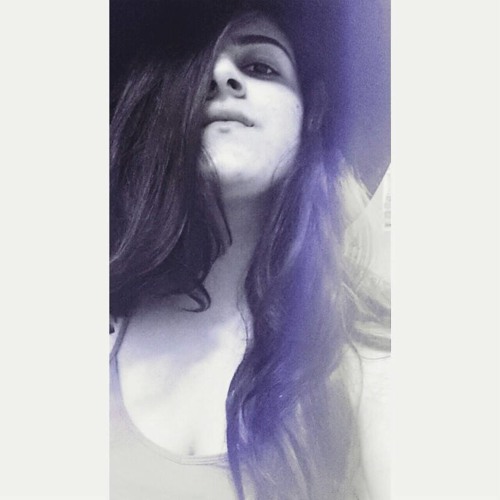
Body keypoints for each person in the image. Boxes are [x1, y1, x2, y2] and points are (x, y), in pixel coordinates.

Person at [109, 1, 391, 499]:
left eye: (260, 66)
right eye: (195, 63)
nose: (221, 75)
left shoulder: (366, 361)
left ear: (311, 116)